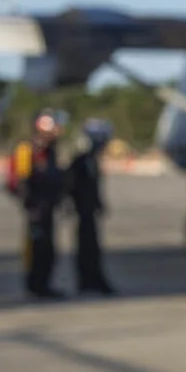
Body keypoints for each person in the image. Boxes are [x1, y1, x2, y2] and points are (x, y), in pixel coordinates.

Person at [7, 108, 70, 299]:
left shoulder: (50, 151)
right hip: (36, 208)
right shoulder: (27, 149)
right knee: (37, 247)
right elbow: (19, 179)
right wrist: (29, 201)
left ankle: (44, 284)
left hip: (48, 205)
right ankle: (36, 285)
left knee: (49, 249)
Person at [70, 117, 117, 295]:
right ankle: (89, 279)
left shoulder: (91, 161)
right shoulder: (82, 161)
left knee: (91, 245)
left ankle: (91, 279)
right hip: (83, 210)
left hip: (89, 209)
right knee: (87, 245)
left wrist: (99, 203)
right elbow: (74, 186)